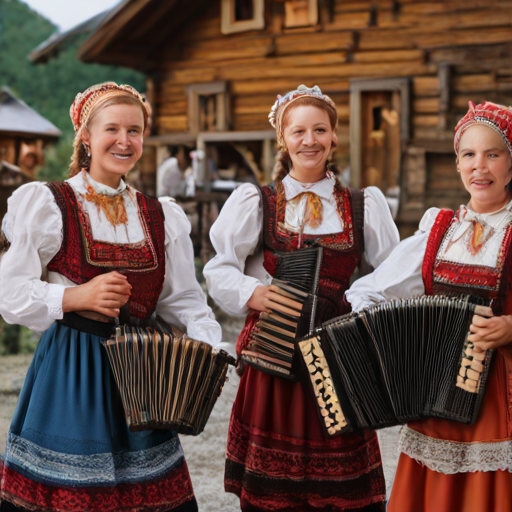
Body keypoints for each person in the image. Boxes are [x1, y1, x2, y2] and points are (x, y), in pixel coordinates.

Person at [0, 82, 225, 512]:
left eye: (135, 131)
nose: (125, 141)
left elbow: (183, 301)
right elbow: (9, 292)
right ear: (85, 136)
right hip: (73, 370)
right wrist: (76, 296)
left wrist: (208, 344)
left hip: (144, 379)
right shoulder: (50, 203)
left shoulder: (161, 215)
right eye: (112, 129)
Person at [203, 84, 400, 512]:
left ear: (333, 138)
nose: (309, 140)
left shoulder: (363, 204)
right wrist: (253, 293)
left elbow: (392, 277)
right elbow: (218, 268)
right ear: (283, 139)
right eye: (298, 132)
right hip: (275, 362)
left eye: (319, 130)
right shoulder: (257, 201)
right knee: (274, 497)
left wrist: (363, 312)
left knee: (344, 495)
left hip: (341, 362)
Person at [346, 101, 512, 512]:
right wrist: (383, 345)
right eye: (469, 155)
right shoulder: (439, 229)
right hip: (436, 392)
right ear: (457, 164)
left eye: (493, 154)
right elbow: (370, 291)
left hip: (501, 397)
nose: (480, 166)